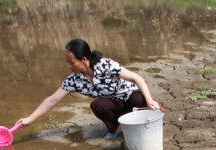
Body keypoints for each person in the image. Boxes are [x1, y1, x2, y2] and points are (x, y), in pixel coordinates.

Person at [17, 38, 162, 140]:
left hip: (130, 97)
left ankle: (136, 121)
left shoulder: (105, 65)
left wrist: (150, 100)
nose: (69, 66)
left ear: (84, 60)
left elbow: (137, 78)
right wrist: (30, 119)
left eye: (71, 62)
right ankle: (115, 128)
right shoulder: (74, 80)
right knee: (97, 105)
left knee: (139, 98)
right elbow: (52, 100)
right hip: (113, 102)